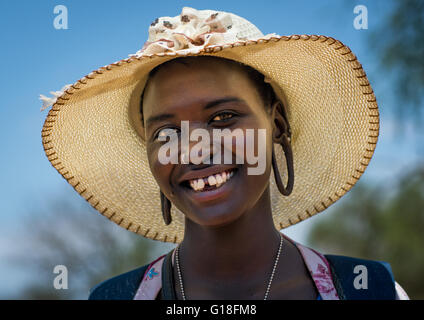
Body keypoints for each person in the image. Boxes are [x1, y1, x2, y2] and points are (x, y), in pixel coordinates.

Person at [40, 7, 409, 300]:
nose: (194, 148)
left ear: (277, 125)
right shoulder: (115, 298)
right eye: (166, 132)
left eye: (222, 117)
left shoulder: (371, 290)